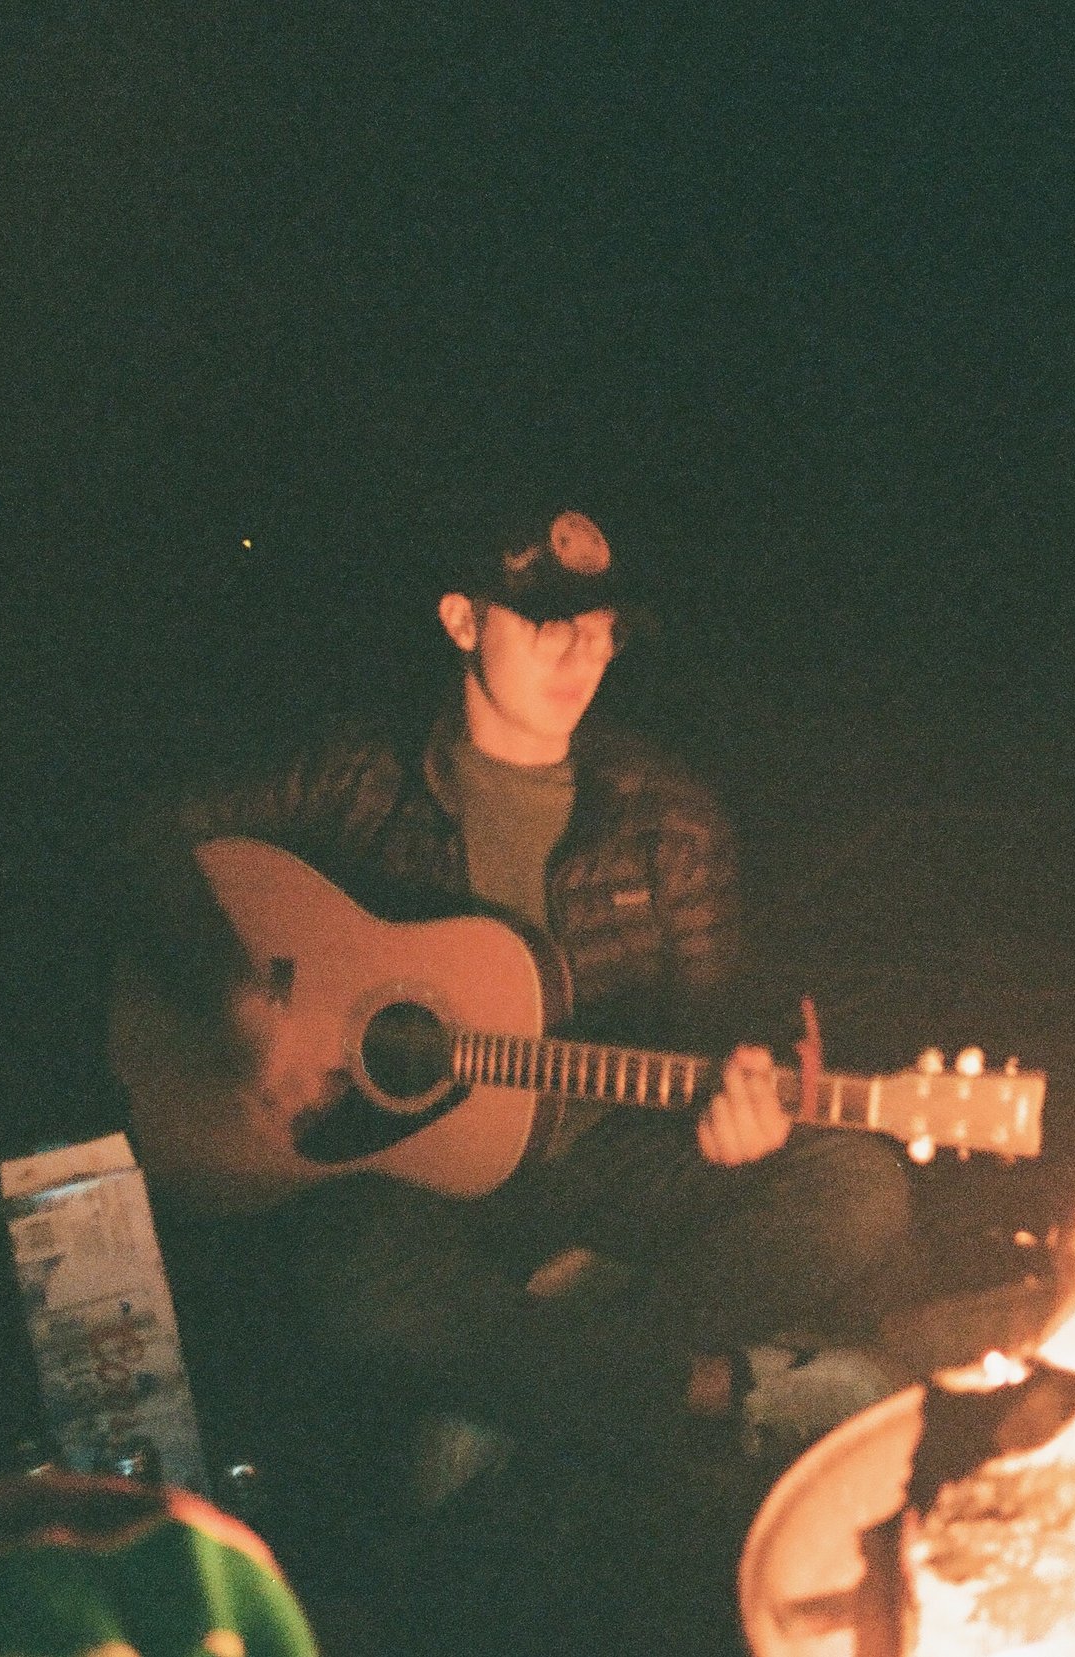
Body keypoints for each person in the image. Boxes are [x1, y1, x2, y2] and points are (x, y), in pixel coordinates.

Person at [113, 498, 916, 1507]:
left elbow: (715, 1028)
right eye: (550, 624)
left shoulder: (666, 816)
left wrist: (736, 1114)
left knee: (860, 1186)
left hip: (599, 1157)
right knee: (345, 1277)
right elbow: (148, 837)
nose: (583, 656)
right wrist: (242, 1004)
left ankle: (509, 1379)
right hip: (410, 1186)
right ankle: (704, 1388)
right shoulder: (361, 775)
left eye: (604, 630)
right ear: (462, 620)